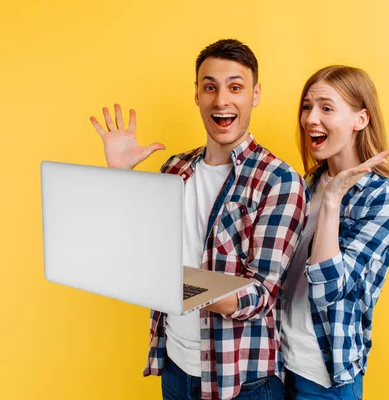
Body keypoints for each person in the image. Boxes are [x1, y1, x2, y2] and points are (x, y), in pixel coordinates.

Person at [89, 39, 306, 400]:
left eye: (235, 87)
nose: (222, 100)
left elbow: (259, 294)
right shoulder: (174, 169)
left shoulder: (279, 180)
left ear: (255, 94)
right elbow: (140, 249)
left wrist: (167, 283)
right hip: (175, 367)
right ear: (197, 95)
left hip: (241, 381)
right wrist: (121, 177)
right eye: (210, 87)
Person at [280, 65, 389, 400]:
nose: (310, 118)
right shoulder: (303, 185)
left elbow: (329, 289)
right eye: (307, 107)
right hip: (275, 364)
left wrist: (333, 200)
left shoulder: (384, 197)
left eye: (326, 107)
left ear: (360, 119)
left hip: (323, 379)